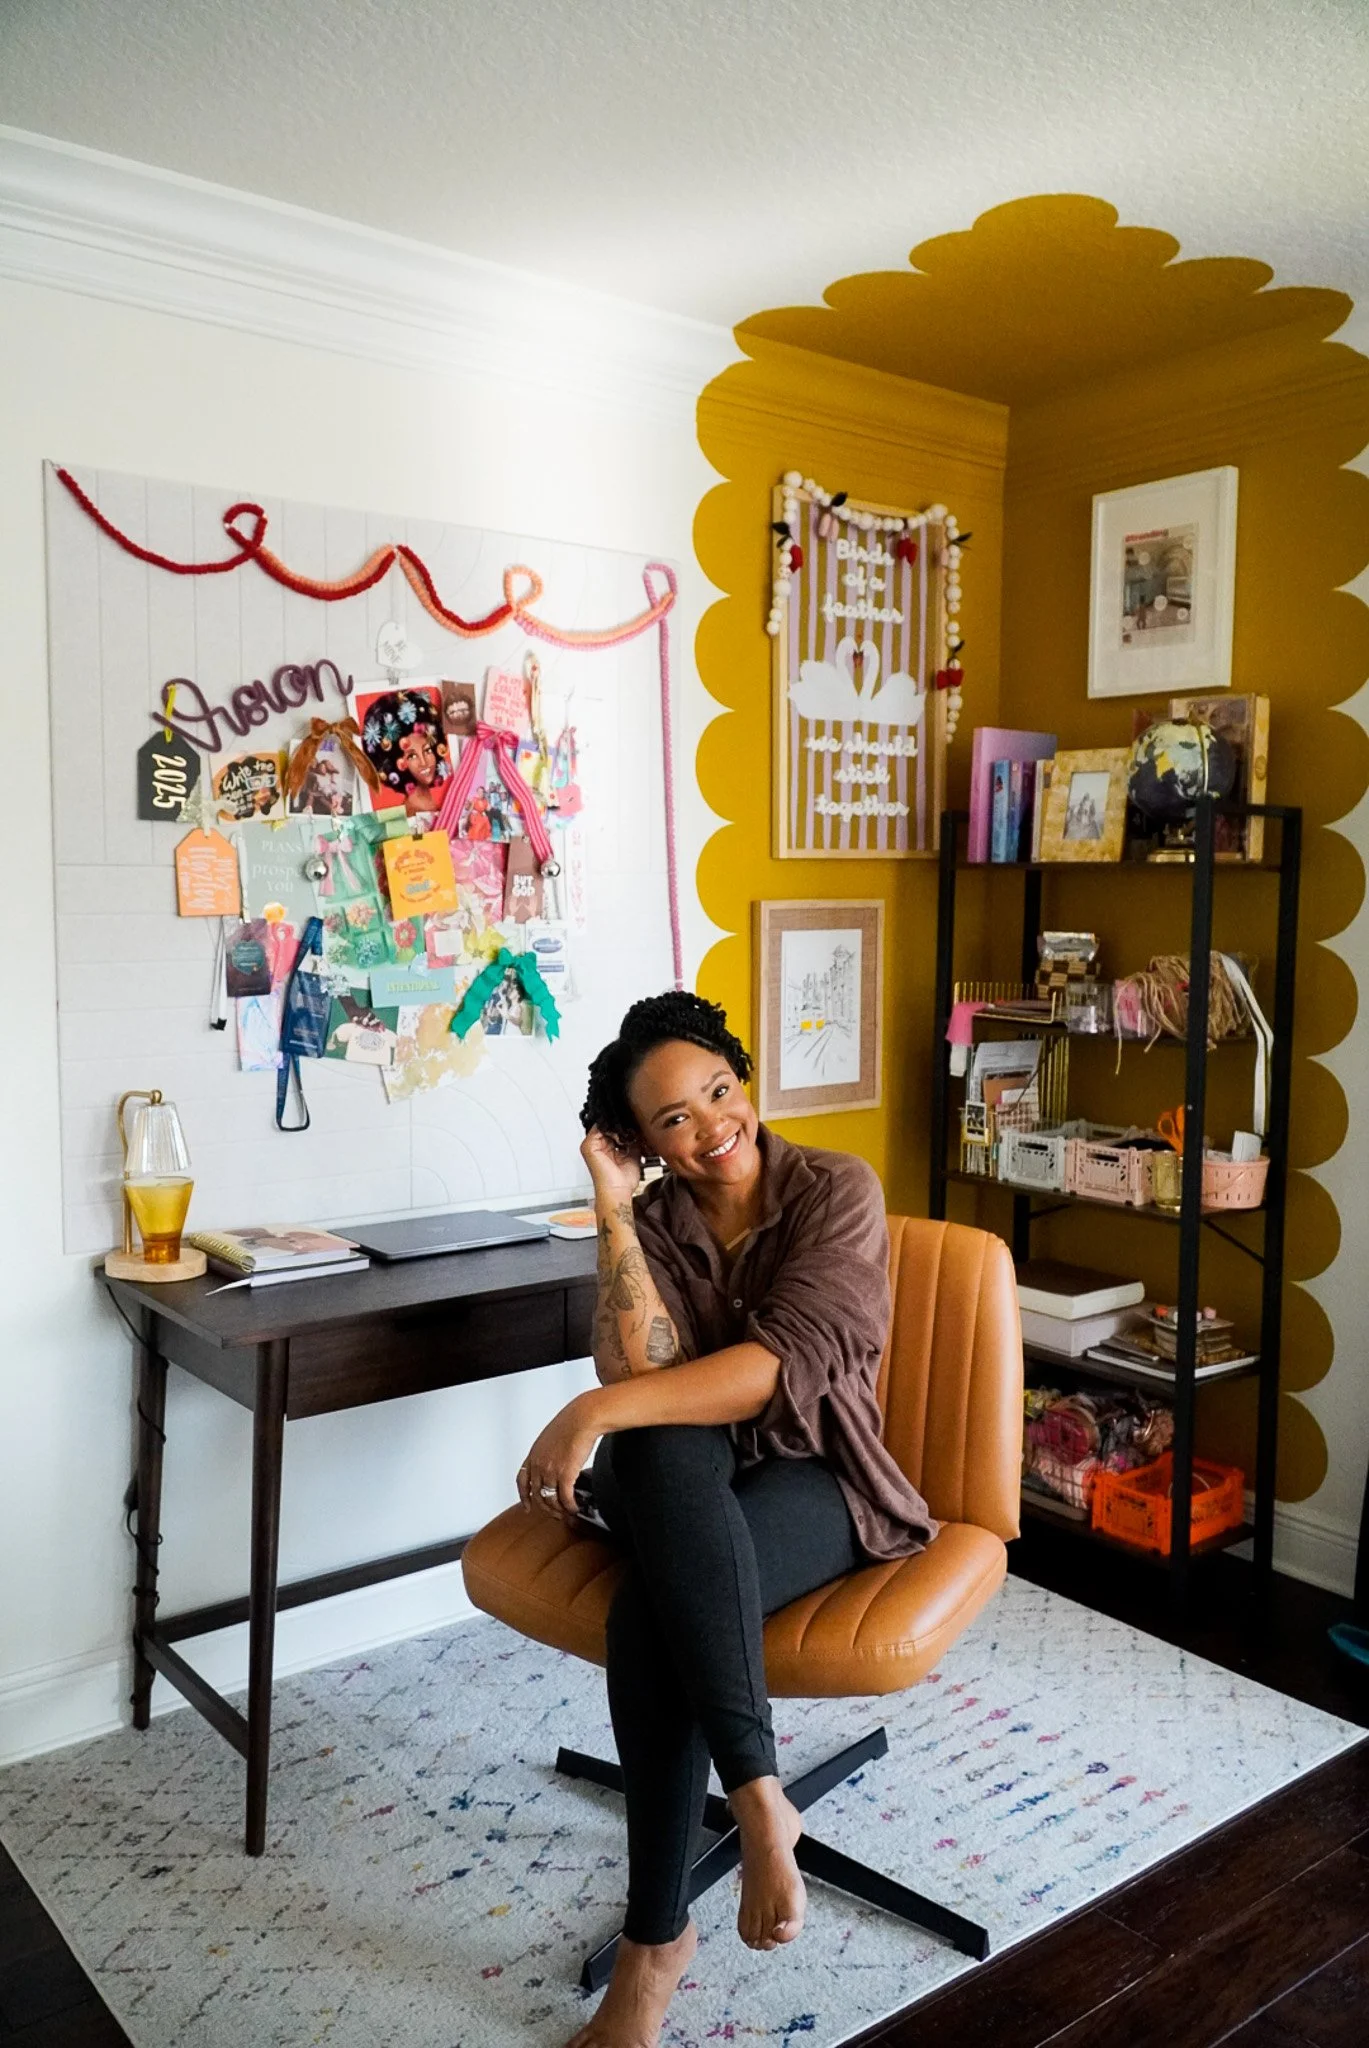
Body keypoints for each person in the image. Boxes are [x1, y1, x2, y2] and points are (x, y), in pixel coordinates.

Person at [516, 991, 938, 2048]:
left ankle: (653, 1946)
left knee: (650, 1611)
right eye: (674, 1118)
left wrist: (588, 1413)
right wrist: (614, 1208)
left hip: (821, 1476)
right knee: (661, 1441)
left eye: (718, 1090)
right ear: (641, 1142)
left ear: (742, 1078)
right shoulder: (656, 1222)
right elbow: (639, 1369)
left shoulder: (836, 1188)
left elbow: (774, 1370)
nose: (712, 1125)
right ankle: (759, 1797)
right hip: (681, 1486)